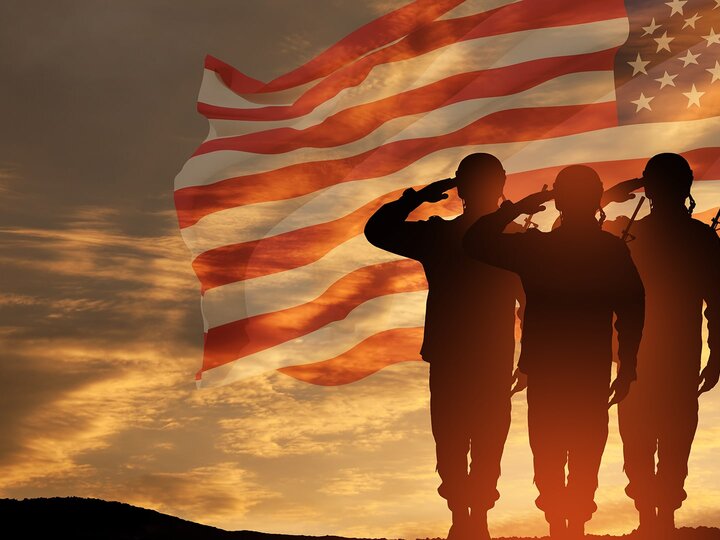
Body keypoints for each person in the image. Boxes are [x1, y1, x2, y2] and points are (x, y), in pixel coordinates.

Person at [463, 165, 644, 538]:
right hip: (587, 367)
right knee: (583, 447)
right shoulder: (608, 250)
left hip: (549, 367)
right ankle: (572, 523)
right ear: (595, 199)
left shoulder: (537, 248)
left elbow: (476, 241)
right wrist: (627, 365)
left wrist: (523, 205)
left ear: (558, 199)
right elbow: (632, 307)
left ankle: (563, 524)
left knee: (549, 446)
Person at [364, 153, 524, 540]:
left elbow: (378, 230)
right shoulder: (495, 237)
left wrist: (420, 197)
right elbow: (377, 232)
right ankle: (468, 514)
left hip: (473, 352)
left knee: (465, 434)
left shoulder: (447, 236)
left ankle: (471, 515)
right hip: (475, 352)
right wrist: (417, 197)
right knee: (470, 434)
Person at [603, 153, 720, 536]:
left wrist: (614, 193)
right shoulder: (696, 237)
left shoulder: (630, 234)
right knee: (667, 437)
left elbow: (717, 303)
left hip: (649, 356)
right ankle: (657, 518)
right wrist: (716, 354)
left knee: (651, 437)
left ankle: (657, 519)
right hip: (664, 356)